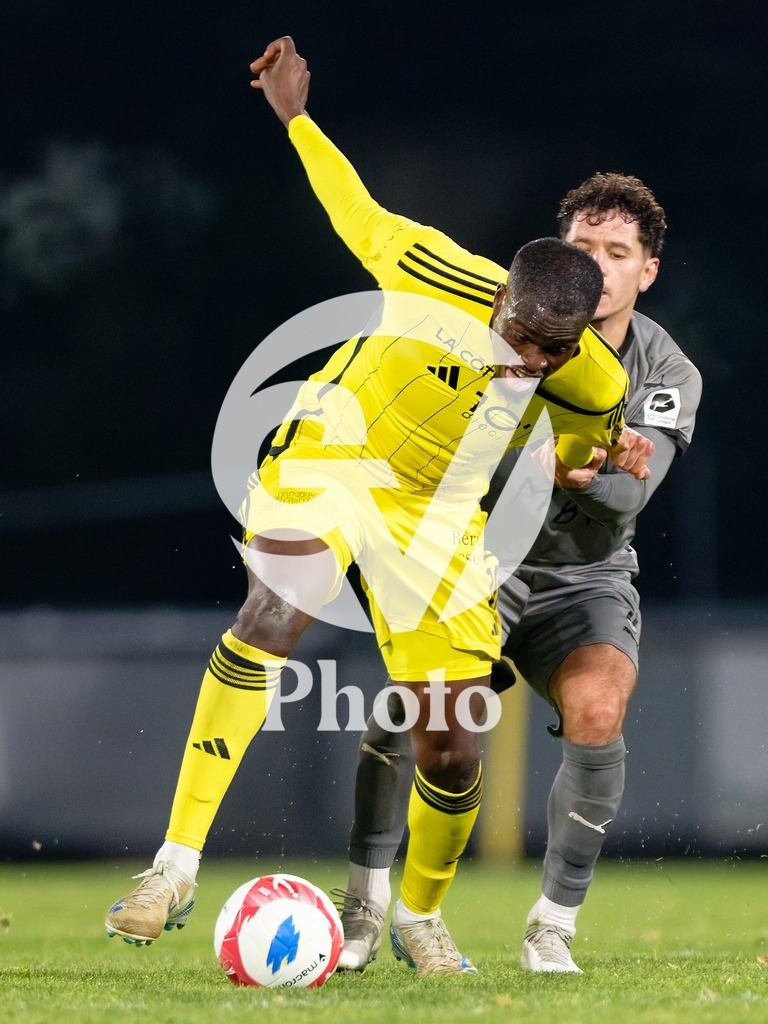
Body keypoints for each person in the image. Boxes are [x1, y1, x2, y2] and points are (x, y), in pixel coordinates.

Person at [104, 37, 654, 976]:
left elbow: (572, 449)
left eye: (544, 353)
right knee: (278, 606)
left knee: (451, 741)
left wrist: (593, 456)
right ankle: (174, 866)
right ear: (501, 299)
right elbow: (348, 202)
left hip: (434, 515)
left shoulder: (591, 379)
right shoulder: (431, 266)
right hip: (336, 451)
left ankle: (419, 917)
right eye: (514, 336)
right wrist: (295, 116)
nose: (524, 359)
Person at [334, 172, 702, 974]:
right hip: (476, 560)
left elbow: (627, 496)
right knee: (412, 719)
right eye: (584, 248)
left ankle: (552, 924)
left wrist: (580, 475)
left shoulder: (666, 372)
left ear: (647, 271)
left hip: (585, 577)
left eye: (619, 252)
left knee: (600, 708)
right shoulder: (494, 322)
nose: (599, 266)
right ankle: (364, 903)